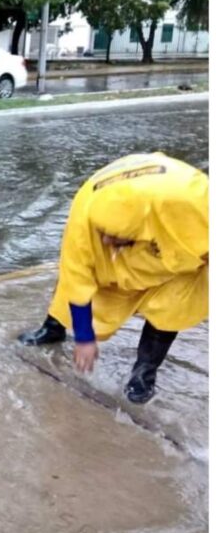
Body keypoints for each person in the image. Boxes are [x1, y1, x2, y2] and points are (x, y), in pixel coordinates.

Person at [18, 153, 208, 404]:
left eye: (115, 236)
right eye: (103, 233)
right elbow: (77, 277)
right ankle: (53, 328)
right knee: (73, 277)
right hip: (125, 251)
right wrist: (84, 337)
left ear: (144, 223)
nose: (107, 240)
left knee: (175, 307)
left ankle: (144, 375)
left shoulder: (198, 201)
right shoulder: (85, 215)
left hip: (175, 257)